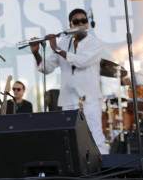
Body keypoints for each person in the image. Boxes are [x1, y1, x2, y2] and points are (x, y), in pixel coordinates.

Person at [29, 8, 108, 153]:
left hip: (89, 98)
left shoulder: (95, 43)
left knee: (95, 137)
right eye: (76, 21)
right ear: (70, 25)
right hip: (68, 98)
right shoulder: (63, 42)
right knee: (72, 138)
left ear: (88, 24)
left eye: (84, 21)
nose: (81, 24)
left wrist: (57, 49)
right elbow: (46, 68)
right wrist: (36, 53)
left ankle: (103, 165)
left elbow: (82, 61)